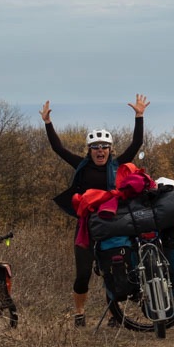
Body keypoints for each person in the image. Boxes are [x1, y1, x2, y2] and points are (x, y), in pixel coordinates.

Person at [40, 94, 150, 327]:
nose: (100, 151)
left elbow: (136, 143)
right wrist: (48, 123)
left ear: (110, 149)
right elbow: (58, 148)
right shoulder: (81, 166)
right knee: (83, 274)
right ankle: (79, 313)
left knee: (113, 269)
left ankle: (113, 315)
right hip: (87, 226)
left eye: (104, 147)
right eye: (95, 147)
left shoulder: (117, 165)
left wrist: (139, 116)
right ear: (89, 150)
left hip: (112, 224)